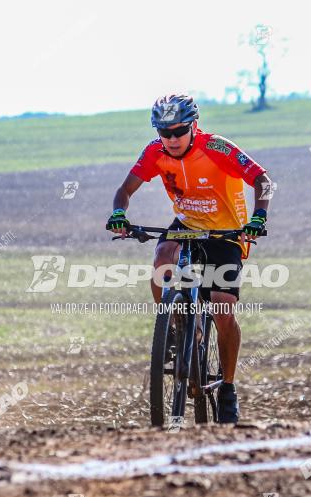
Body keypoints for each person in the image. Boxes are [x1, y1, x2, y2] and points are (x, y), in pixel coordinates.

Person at [106, 94, 274, 423]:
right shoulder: (155, 151)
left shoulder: (217, 149)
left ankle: (227, 386)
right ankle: (172, 325)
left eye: (178, 131)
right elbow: (124, 190)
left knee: (223, 309)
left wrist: (258, 219)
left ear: (193, 125)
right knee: (161, 258)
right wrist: (118, 213)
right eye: (163, 132)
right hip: (187, 225)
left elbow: (263, 181)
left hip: (225, 232)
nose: (170, 139)